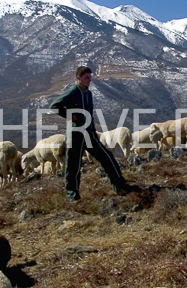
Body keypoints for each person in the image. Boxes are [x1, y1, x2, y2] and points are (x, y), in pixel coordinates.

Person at [49, 65, 129, 201]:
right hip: (75, 134)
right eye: (86, 78)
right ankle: (72, 196)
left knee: (107, 157)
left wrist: (92, 128)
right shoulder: (73, 91)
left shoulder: (88, 93)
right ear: (78, 78)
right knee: (73, 166)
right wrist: (71, 116)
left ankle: (120, 186)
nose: (89, 80)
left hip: (89, 133)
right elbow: (54, 106)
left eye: (90, 78)